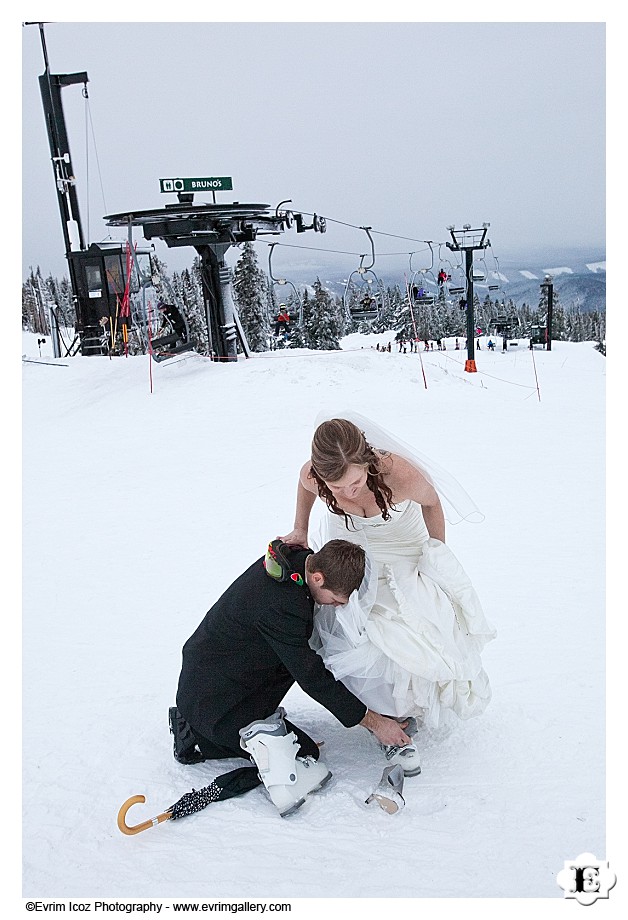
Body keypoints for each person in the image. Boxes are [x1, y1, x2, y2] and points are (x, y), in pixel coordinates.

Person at [280, 413, 496, 733]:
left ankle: (405, 708)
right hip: (351, 552)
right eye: (338, 487)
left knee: (408, 630)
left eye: (357, 481)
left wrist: (436, 554)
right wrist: (300, 528)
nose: (350, 492)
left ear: (366, 460)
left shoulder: (399, 474)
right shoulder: (312, 475)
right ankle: (377, 709)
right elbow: (303, 484)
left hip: (402, 549)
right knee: (352, 628)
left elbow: (432, 502)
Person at [170, 538, 414, 817]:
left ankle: (209, 724)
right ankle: (194, 733)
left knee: (295, 663)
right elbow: (311, 676)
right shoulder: (282, 605)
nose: (335, 606)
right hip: (213, 698)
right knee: (306, 755)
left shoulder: (298, 561)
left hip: (227, 672)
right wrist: (373, 721)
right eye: (335, 600)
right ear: (319, 578)